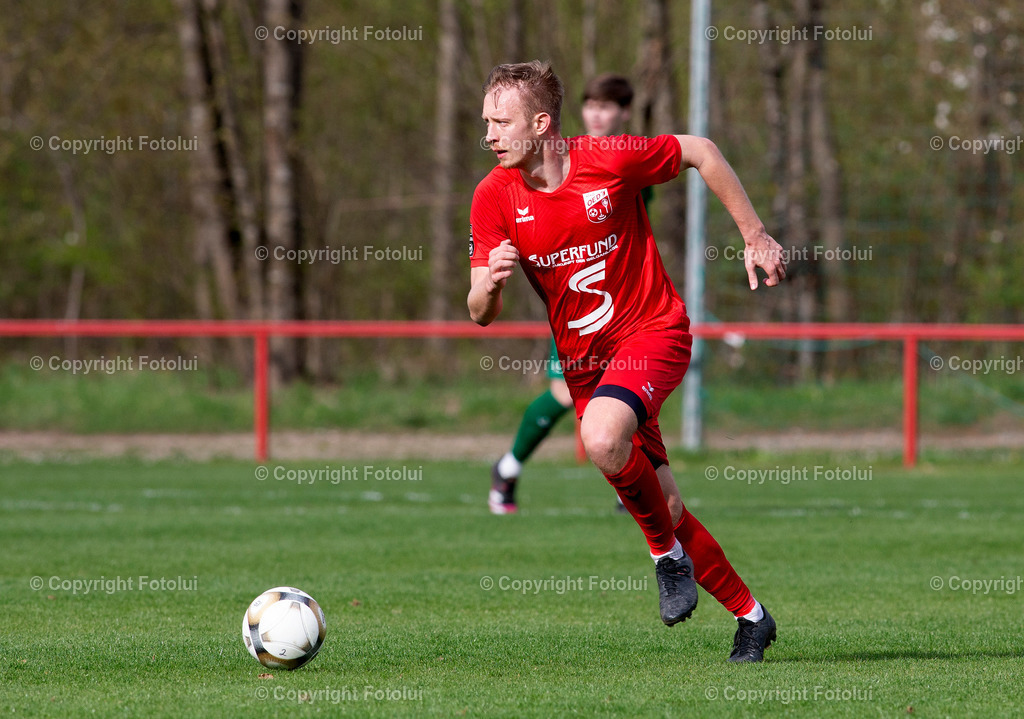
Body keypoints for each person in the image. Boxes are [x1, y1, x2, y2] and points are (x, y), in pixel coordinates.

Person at [468, 61, 786, 662]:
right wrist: (493, 285)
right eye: (485, 120)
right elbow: (478, 308)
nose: (488, 134)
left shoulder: (610, 159)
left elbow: (701, 151)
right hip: (588, 364)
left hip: (654, 331)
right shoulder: (493, 196)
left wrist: (754, 234)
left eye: (500, 122)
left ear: (541, 123)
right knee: (663, 502)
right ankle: (752, 616)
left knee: (602, 437)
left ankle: (664, 557)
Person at [489, 73, 644, 516]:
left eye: (607, 107)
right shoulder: (556, 160)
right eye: (590, 106)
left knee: (629, 391)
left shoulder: (629, 158)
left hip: (627, 305)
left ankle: (631, 483)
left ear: (623, 114)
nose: (596, 114)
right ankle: (509, 466)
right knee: (566, 394)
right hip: (583, 307)